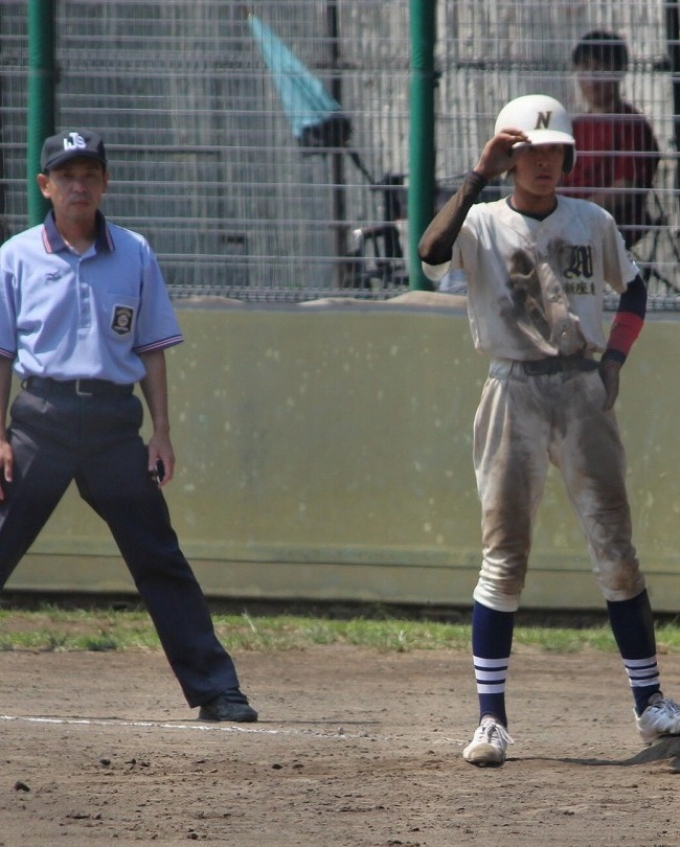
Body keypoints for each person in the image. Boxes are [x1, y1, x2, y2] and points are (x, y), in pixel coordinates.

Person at [418, 94, 680, 767]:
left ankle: (650, 702)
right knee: (505, 556)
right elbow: (430, 252)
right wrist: (478, 174)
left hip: (582, 388)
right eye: (530, 151)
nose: (543, 162)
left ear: (568, 156)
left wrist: (614, 360)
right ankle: (491, 720)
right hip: (514, 390)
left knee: (616, 549)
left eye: (554, 150)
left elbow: (635, 287)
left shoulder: (591, 220)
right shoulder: (482, 221)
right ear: (510, 158)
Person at [0, 129, 257, 724]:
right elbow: (3, 355)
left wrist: (161, 431)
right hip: (40, 421)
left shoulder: (134, 252)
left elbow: (151, 349)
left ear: (106, 183)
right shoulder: (15, 257)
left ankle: (217, 689)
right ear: (45, 186)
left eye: (90, 175)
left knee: (158, 555)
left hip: (114, 425)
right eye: (67, 176)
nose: (79, 186)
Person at [560, 30, 660, 249]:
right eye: (585, 68)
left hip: (608, 229)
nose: (592, 78)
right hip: (562, 225)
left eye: (600, 68)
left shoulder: (633, 126)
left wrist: (576, 213)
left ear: (619, 70)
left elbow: (627, 188)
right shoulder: (572, 128)